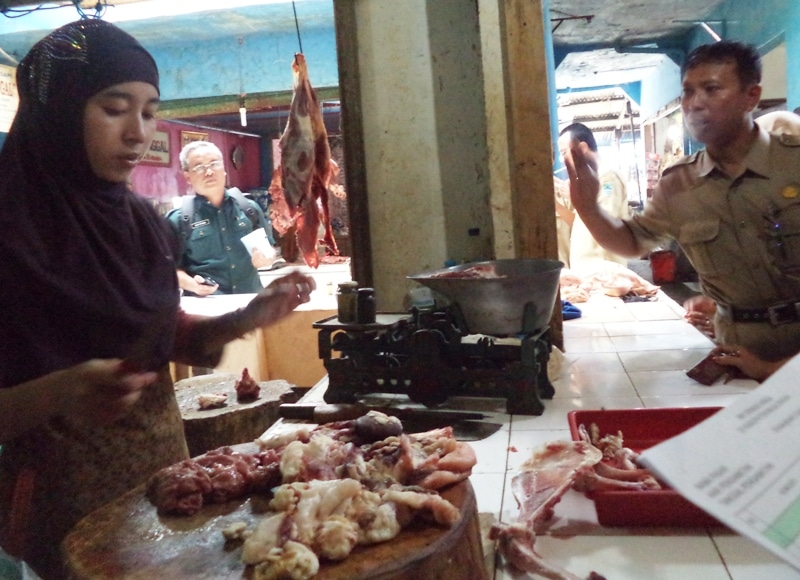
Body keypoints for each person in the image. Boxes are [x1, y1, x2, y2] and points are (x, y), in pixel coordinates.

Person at [0, 20, 316, 579]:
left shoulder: (133, 225)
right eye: (114, 107)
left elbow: (160, 333)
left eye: (148, 112)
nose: (136, 133)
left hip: (162, 491)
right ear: (58, 112)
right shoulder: (12, 230)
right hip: (57, 511)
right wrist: (61, 391)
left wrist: (250, 314)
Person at [564, 40, 800, 366]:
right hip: (735, 359)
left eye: (712, 89)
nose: (695, 104)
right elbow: (633, 241)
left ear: (751, 97)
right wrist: (587, 207)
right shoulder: (679, 184)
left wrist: (773, 370)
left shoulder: (793, 163)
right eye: (688, 92)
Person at [166, 140, 283, 296]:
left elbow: (270, 249)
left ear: (224, 169)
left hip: (250, 303)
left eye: (214, 164)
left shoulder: (248, 209)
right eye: (200, 167)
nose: (209, 172)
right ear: (187, 176)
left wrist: (267, 258)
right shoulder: (179, 219)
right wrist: (193, 285)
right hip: (206, 309)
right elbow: (168, 269)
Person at [557, 122, 629, 269]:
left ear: (583, 148)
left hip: (605, 273)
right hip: (589, 272)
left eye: (564, 152)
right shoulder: (590, 182)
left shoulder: (608, 179)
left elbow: (606, 222)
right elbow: (581, 224)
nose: (562, 160)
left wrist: (577, 200)